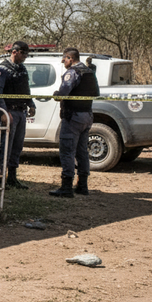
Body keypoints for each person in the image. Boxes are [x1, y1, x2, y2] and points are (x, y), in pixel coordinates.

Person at [49, 47, 100, 197]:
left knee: (67, 151)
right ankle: (82, 185)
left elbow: (63, 93)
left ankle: (66, 186)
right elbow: (95, 92)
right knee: (82, 152)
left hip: (73, 117)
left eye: (64, 59)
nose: (64, 62)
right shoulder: (89, 72)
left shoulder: (73, 72)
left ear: (70, 58)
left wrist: (57, 95)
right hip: (87, 115)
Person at [0, 41, 36, 189]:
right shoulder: (2, 69)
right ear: (14, 52)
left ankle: (12, 178)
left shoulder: (22, 69)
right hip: (9, 111)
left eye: (26, 55)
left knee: (17, 146)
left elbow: (25, 88)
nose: (25, 57)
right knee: (5, 147)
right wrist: (3, 113)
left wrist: (31, 104)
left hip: (21, 111)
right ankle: (0, 179)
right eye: (23, 54)